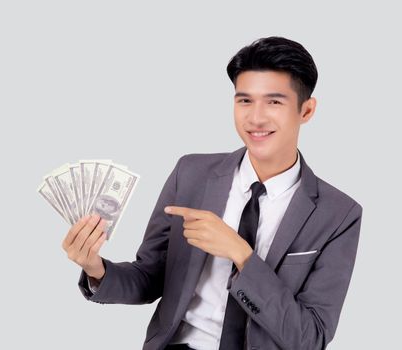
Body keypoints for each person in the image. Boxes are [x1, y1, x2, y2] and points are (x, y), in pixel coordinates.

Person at [61, 36, 363, 350]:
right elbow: (150, 277)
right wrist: (96, 269)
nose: (255, 118)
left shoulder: (338, 214)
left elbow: (309, 338)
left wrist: (242, 255)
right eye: (244, 100)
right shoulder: (191, 175)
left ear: (307, 110)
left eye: (274, 102)